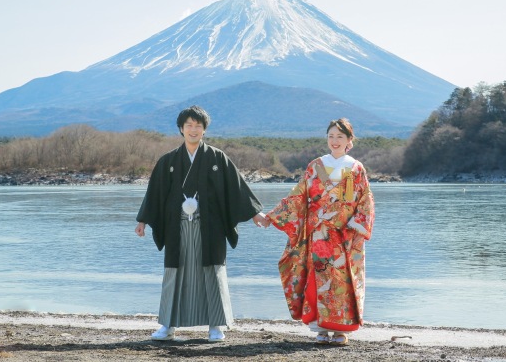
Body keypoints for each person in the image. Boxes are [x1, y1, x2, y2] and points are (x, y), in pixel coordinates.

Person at [135, 105, 264, 342]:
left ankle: (216, 326)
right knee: (174, 273)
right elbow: (155, 193)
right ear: (181, 129)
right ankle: (168, 325)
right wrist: (143, 219)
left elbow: (237, 189)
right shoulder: (169, 161)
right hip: (178, 226)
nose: (193, 130)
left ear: (204, 130)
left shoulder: (217, 158)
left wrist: (255, 213)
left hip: (210, 226)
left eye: (198, 126)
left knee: (212, 272)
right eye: (189, 126)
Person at [257, 118, 375, 346]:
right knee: (318, 279)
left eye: (340, 137)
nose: (335, 141)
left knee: (342, 282)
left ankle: (341, 331)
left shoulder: (356, 168)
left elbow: (365, 202)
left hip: (345, 235)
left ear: (349, 140)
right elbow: (298, 196)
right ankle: (320, 328)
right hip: (319, 233)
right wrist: (273, 216)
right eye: (331, 136)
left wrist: (354, 227)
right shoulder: (316, 166)